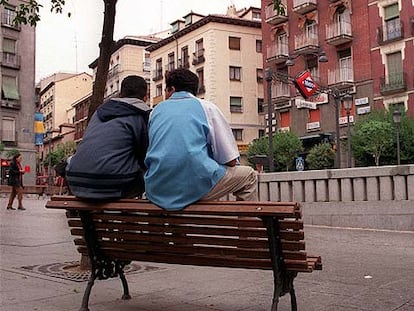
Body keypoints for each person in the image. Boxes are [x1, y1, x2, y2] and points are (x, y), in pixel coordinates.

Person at [144, 68, 257, 211]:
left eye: (165, 91)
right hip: (194, 187)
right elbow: (231, 160)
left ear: (171, 89)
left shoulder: (155, 112)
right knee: (249, 177)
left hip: (157, 189)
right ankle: (248, 231)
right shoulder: (207, 107)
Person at [66, 75, 151, 199]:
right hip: (111, 183)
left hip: (75, 181)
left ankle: (89, 218)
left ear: (121, 94)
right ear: (146, 97)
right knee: (148, 175)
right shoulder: (142, 115)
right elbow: (144, 153)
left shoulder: (99, 112)